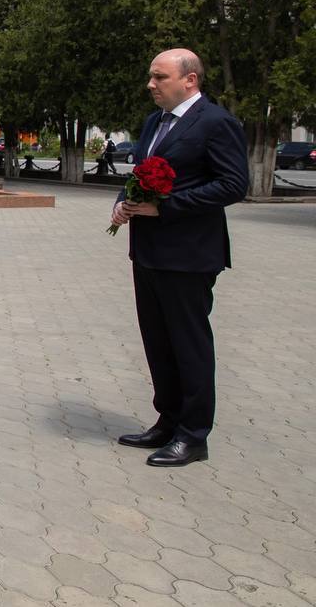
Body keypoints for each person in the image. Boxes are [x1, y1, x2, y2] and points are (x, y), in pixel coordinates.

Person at [109, 48, 248, 467]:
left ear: (190, 80)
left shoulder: (216, 123)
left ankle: (193, 435)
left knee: (189, 345)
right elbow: (140, 173)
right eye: (151, 77)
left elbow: (232, 185)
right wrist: (122, 202)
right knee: (158, 342)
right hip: (149, 251)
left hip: (189, 255)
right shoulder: (155, 122)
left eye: (159, 77)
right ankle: (167, 421)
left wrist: (165, 206)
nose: (151, 84)